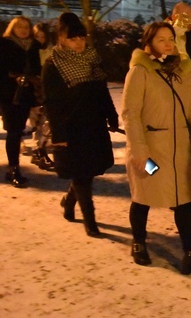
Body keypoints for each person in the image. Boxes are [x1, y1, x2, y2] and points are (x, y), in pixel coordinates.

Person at [122, 21, 191, 277]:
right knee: (144, 196)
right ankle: (139, 242)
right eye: (161, 39)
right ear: (149, 43)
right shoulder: (140, 71)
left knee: (183, 201)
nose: (167, 43)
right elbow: (130, 114)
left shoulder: (182, 70)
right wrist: (140, 153)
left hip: (179, 151)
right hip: (150, 153)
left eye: (170, 38)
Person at [43, 13, 118, 237]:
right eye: (73, 38)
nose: (79, 43)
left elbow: (102, 90)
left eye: (81, 38)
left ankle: (68, 201)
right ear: (62, 38)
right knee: (81, 172)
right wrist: (59, 133)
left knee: (88, 171)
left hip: (93, 123)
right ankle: (90, 220)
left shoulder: (91, 58)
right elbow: (51, 102)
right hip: (71, 126)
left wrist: (111, 115)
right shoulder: (53, 64)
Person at [0, 16, 42, 187]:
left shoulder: (33, 46)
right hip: (8, 94)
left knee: (19, 130)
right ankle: (13, 168)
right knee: (13, 131)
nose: (23, 30)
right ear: (13, 28)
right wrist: (13, 78)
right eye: (20, 27)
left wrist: (34, 79)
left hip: (25, 94)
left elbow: (36, 68)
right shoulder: (4, 44)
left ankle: (14, 168)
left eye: (26, 26)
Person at [29, 22, 54, 170]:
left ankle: (40, 150)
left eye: (42, 36)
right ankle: (37, 151)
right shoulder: (30, 50)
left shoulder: (50, 51)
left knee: (44, 124)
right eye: (37, 36)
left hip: (46, 91)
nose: (40, 39)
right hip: (34, 92)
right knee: (37, 123)